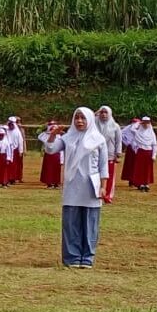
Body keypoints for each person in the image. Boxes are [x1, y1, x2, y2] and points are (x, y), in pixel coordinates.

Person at [45, 108, 108, 269]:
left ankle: (87, 257)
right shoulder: (68, 138)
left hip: (91, 186)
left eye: (83, 118)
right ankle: (72, 256)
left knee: (90, 222)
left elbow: (103, 165)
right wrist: (53, 134)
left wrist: (103, 187)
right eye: (77, 118)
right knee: (71, 223)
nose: (79, 121)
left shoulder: (99, 140)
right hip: (72, 185)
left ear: (89, 120)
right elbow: (50, 149)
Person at [96, 106, 122, 203]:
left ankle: (108, 195)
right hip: (96, 153)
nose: (103, 114)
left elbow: (118, 141)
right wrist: (96, 113)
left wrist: (118, 153)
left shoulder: (115, 126)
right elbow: (88, 118)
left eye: (106, 112)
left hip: (110, 154)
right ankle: (98, 194)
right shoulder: (94, 124)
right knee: (97, 174)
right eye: (101, 112)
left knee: (109, 175)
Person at [132, 116, 157, 192]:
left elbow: (154, 145)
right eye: (144, 123)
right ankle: (140, 184)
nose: (146, 125)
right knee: (140, 168)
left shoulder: (151, 133)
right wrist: (138, 123)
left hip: (149, 152)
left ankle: (146, 183)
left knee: (147, 169)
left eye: (147, 123)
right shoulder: (138, 132)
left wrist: (154, 155)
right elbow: (132, 129)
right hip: (140, 152)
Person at [38, 121, 63, 189]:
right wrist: (46, 130)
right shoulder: (45, 135)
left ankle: (56, 183)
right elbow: (40, 136)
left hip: (56, 154)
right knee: (48, 169)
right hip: (49, 154)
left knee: (56, 169)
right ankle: (49, 183)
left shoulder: (59, 136)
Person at [120, 118, 140, 187]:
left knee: (137, 164)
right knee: (130, 164)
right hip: (131, 148)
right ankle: (131, 179)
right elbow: (121, 134)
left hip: (138, 147)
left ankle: (135, 179)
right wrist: (127, 142)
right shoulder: (128, 128)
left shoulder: (140, 128)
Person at [7, 117, 25, 185]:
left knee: (14, 165)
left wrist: (20, 151)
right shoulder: (6, 130)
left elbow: (20, 142)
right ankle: (7, 178)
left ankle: (13, 179)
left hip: (15, 150)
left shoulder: (17, 132)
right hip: (7, 150)